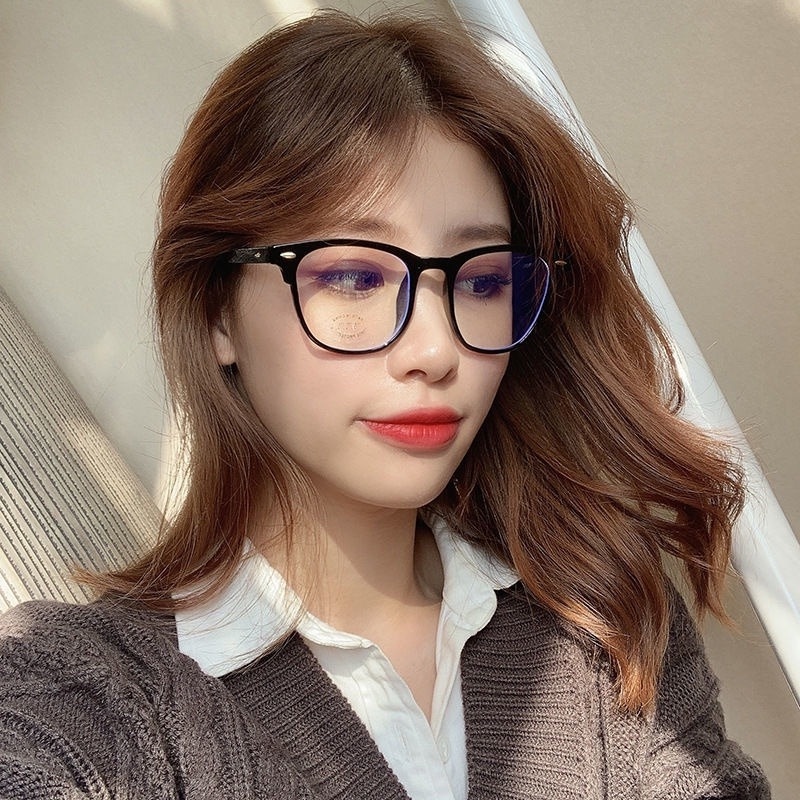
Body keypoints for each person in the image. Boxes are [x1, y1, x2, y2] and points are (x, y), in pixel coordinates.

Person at [0, 9, 770, 799]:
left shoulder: (605, 618)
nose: (436, 351)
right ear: (216, 312)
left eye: (482, 281)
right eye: (354, 277)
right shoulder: (85, 700)